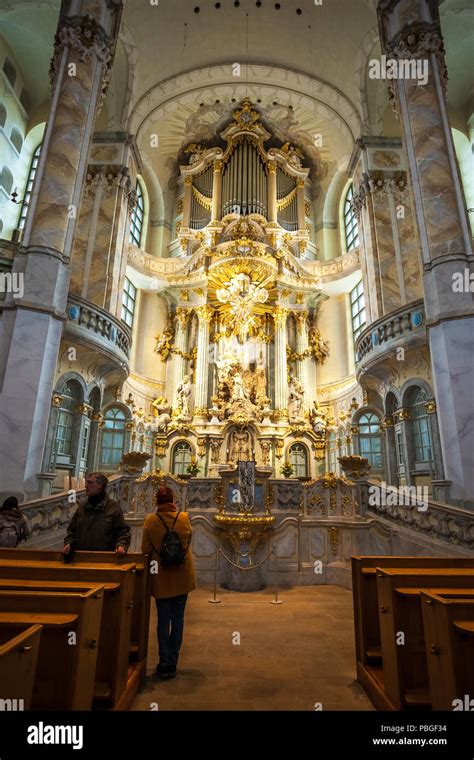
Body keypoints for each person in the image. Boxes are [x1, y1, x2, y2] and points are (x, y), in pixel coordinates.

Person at [141, 486, 196, 679]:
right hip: (182, 575)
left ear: (157, 501)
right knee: (178, 619)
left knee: (163, 620)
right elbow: (189, 540)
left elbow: (145, 549)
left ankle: (163, 661)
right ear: (174, 499)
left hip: (161, 575)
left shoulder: (150, 521)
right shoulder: (183, 518)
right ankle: (173, 661)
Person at [63, 472, 130, 554]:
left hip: (104, 558)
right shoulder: (82, 507)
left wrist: (121, 545)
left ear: (100, 486)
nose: (86, 486)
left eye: (90, 482)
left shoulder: (112, 507)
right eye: (86, 482)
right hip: (81, 557)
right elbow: (71, 531)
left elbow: (123, 532)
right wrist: (69, 543)